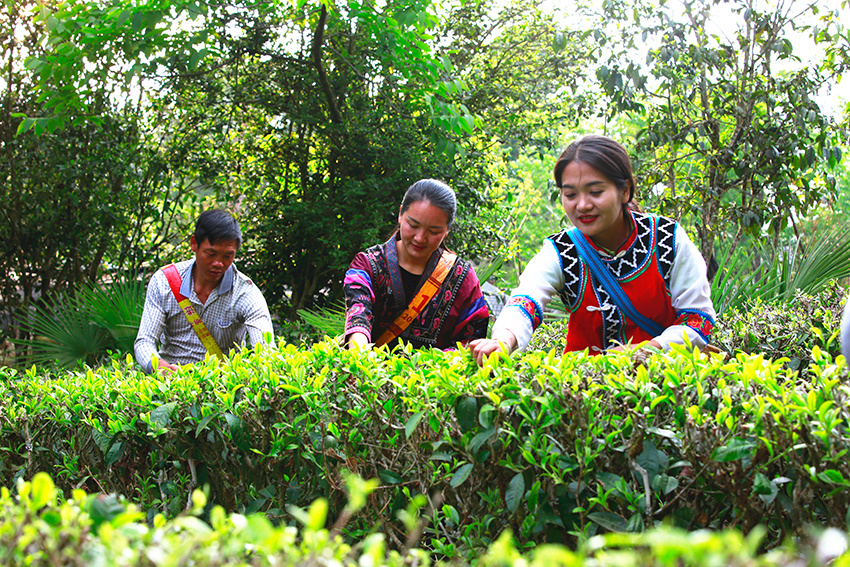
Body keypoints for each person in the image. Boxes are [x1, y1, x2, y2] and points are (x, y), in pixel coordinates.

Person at [469, 135, 715, 364]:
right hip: (583, 392)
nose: (583, 205)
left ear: (625, 190)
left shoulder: (667, 239)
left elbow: (698, 320)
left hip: (667, 390)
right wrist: (503, 339)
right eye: (570, 194)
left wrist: (646, 350)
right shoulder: (563, 250)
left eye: (595, 192)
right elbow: (525, 299)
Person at [343, 179, 490, 349]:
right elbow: (358, 314)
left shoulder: (462, 277)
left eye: (433, 231)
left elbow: (471, 340)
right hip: (371, 373)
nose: (420, 238)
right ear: (400, 215)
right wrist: (359, 356)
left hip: (436, 374)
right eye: (413, 225)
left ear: (447, 230)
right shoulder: (367, 265)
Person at [134, 209, 274, 374]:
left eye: (228, 256)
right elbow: (144, 341)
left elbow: (266, 352)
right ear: (194, 244)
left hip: (221, 388)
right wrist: (157, 366)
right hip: (170, 385)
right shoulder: (164, 282)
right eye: (211, 253)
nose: (218, 263)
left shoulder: (245, 294)